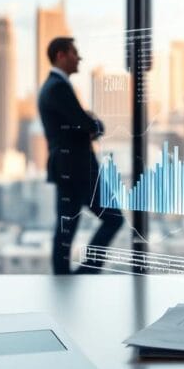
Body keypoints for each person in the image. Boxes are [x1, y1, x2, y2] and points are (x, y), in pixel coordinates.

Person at [38, 37, 124, 274]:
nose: (80, 58)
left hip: (68, 167)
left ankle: (64, 278)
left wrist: (88, 123)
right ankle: (87, 272)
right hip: (77, 169)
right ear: (61, 55)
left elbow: (82, 125)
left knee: (66, 228)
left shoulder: (53, 86)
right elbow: (87, 124)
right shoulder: (58, 87)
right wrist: (93, 123)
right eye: (75, 53)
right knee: (114, 218)